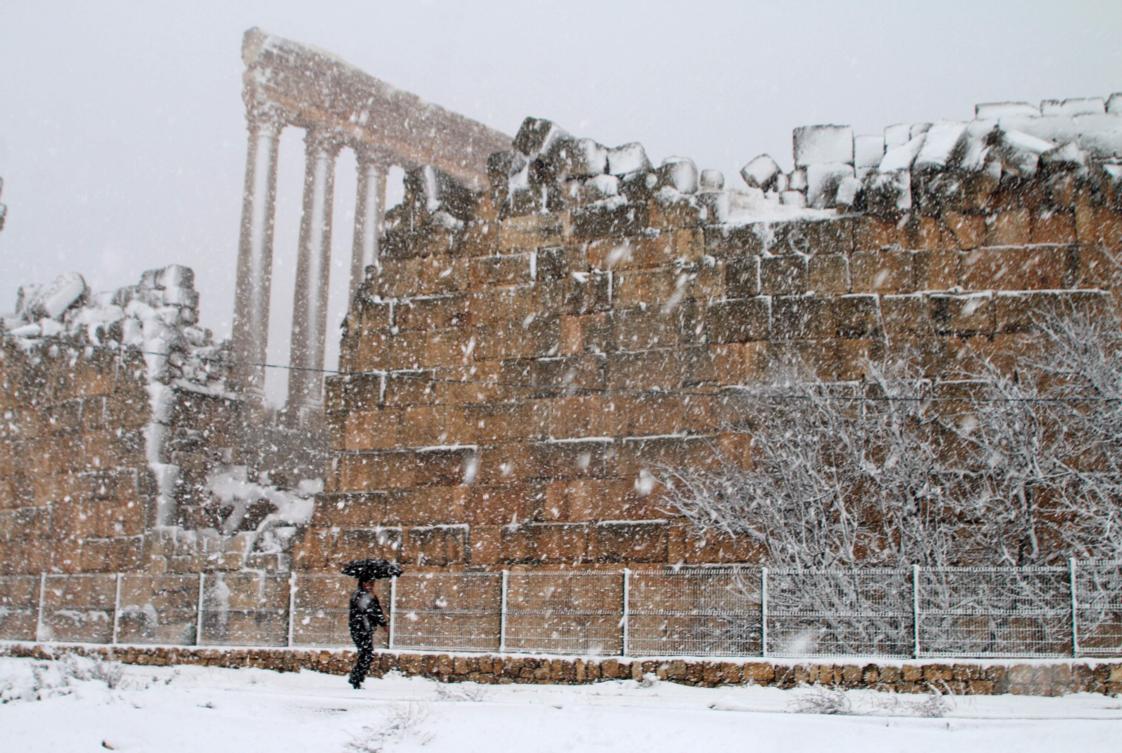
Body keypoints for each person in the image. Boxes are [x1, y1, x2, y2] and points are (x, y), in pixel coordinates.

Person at [347, 578, 386, 689]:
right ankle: (356, 678)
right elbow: (370, 611)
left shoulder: (368, 595)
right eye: (369, 583)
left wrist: (383, 623)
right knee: (366, 654)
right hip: (360, 628)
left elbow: (377, 610)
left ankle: (356, 677)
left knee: (366, 653)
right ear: (363, 583)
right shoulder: (360, 595)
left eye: (373, 583)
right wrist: (381, 622)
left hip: (364, 629)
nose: (371, 585)